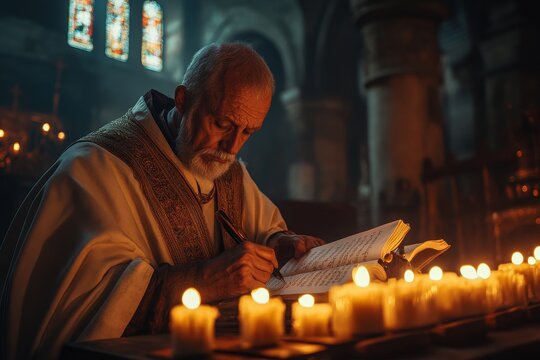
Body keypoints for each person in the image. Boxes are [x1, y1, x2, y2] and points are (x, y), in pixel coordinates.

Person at [0, 42, 325, 360]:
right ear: (183, 101)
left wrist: (280, 243)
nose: (231, 146)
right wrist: (206, 280)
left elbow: (263, 228)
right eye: (222, 124)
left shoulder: (229, 169)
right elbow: (80, 310)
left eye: (247, 133)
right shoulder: (92, 168)